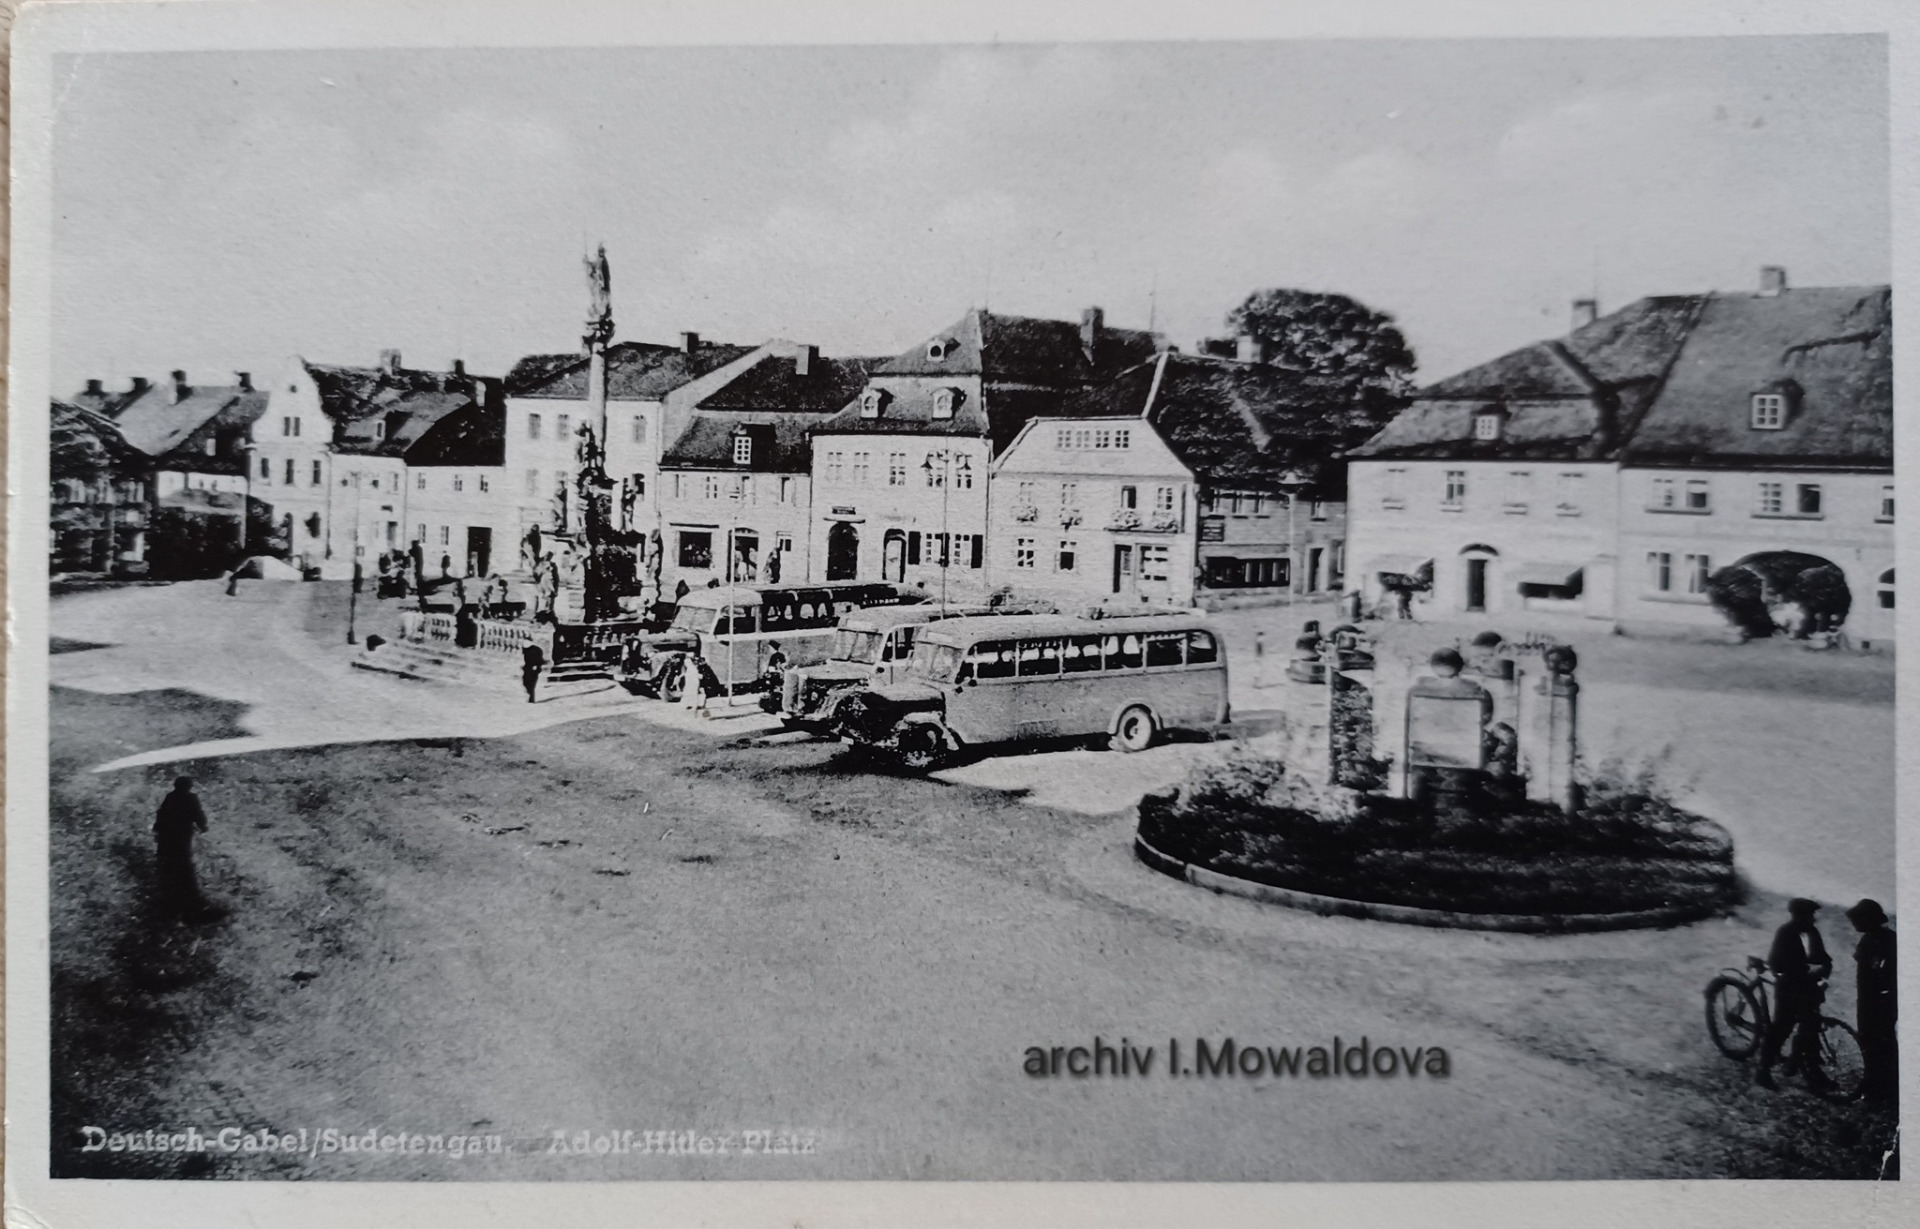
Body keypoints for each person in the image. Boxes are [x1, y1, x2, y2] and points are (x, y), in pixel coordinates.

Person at [1756, 897, 1833, 1089]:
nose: (1812, 919)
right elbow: (1776, 964)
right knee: (1782, 1027)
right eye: (1807, 915)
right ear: (1796, 915)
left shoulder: (1813, 933)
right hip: (1789, 987)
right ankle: (1763, 1070)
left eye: (1812, 915)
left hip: (1808, 987)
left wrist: (1824, 970)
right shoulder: (1785, 933)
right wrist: (1802, 972)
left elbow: (1822, 958)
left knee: (1812, 1026)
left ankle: (1810, 1069)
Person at [1846, 898, 1898, 1107]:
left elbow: (1878, 971)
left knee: (1873, 1046)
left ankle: (1875, 1094)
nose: (1855, 924)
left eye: (1859, 919)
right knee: (1884, 1044)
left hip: (1874, 1001)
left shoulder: (1874, 941)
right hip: (1880, 999)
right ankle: (1889, 1089)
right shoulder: (1884, 937)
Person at [154, 777, 214, 920]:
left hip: (170, 834)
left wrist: (157, 828)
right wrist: (203, 826)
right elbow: (198, 814)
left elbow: (161, 814)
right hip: (179, 834)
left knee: (171, 859)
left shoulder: (171, 797)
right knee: (182, 860)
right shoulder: (189, 798)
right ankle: (181, 890)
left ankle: (170, 887)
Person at [521, 639, 546, 704]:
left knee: (532, 684)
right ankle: (529, 695)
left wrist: (537, 666)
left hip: (534, 668)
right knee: (525, 682)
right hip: (527, 668)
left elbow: (540, 659)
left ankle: (531, 698)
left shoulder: (537, 650)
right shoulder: (525, 650)